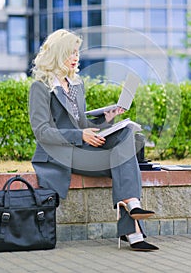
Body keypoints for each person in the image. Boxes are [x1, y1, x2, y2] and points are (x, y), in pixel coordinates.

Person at [29, 29, 159, 251]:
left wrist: (105, 121)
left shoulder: (77, 85)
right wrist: (80, 135)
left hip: (84, 150)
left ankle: (132, 209)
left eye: (77, 52)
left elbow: (82, 126)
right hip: (60, 156)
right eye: (70, 52)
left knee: (127, 134)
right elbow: (42, 132)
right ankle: (133, 227)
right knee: (125, 161)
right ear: (57, 54)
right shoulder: (40, 87)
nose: (76, 57)